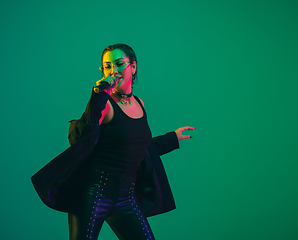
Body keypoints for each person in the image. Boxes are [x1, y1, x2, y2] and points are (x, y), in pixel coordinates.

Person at [31, 43, 194, 240]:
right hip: (93, 196)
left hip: (125, 198)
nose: (113, 70)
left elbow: (138, 148)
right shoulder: (105, 105)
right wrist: (101, 93)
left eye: (118, 64)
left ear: (133, 67)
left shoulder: (139, 104)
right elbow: (84, 135)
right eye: (107, 66)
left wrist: (172, 138)